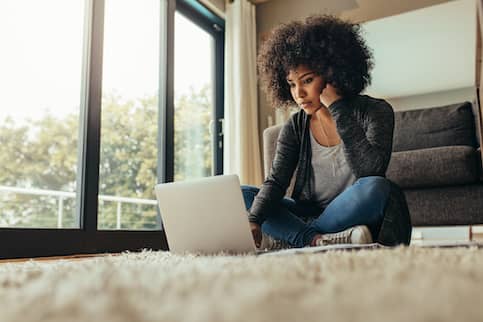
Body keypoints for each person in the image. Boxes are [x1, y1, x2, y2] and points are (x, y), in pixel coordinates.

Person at [242, 15, 411, 250]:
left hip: (351, 210)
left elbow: (371, 170)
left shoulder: (376, 110)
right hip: (308, 214)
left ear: (332, 74)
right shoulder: (294, 127)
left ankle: (292, 236)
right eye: (291, 83)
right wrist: (254, 220)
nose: (298, 93)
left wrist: (338, 108)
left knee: (376, 187)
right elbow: (276, 182)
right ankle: (316, 240)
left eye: (307, 80)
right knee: (243, 195)